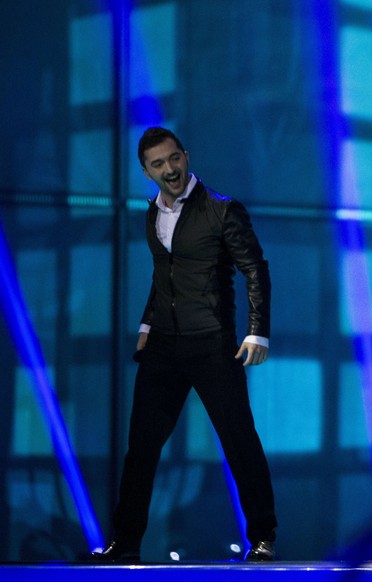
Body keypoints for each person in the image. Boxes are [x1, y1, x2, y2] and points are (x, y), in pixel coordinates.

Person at [89, 127, 278, 563]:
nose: (169, 169)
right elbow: (164, 275)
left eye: (174, 158)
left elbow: (255, 269)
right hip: (164, 346)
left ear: (185, 156)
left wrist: (257, 330)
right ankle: (125, 543)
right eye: (158, 164)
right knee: (141, 447)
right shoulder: (152, 213)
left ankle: (264, 535)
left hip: (212, 342)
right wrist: (147, 322)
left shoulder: (222, 209)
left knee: (239, 441)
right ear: (146, 171)